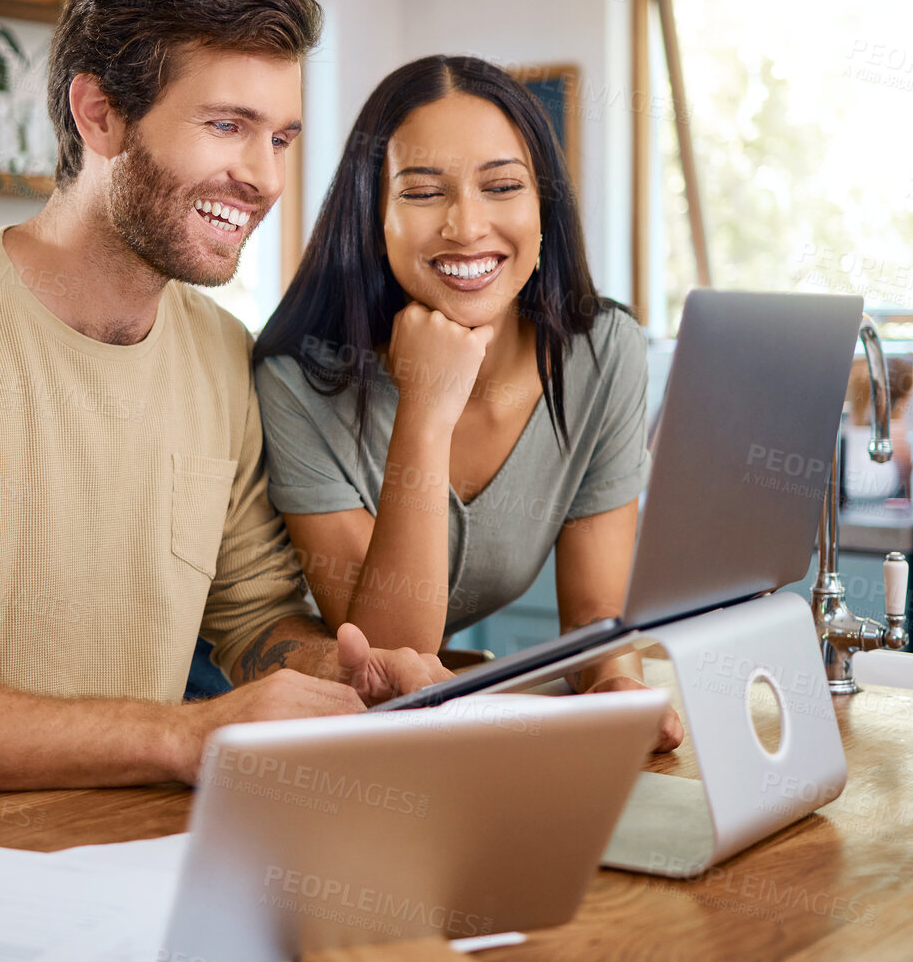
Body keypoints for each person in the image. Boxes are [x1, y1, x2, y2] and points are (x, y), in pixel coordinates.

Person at [0, 0, 449, 822]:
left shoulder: (218, 355)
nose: (265, 178)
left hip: (116, 851)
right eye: (226, 126)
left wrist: (339, 672)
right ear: (100, 115)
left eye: (279, 138)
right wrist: (181, 735)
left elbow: (254, 618)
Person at [253, 55, 684, 751]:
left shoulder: (601, 353)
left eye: (502, 186)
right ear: (375, 218)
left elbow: (595, 614)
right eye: (423, 194)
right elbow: (387, 662)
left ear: (543, 206)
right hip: (267, 718)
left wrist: (615, 686)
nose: (466, 225)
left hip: (414, 723)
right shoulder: (299, 383)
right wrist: (425, 411)